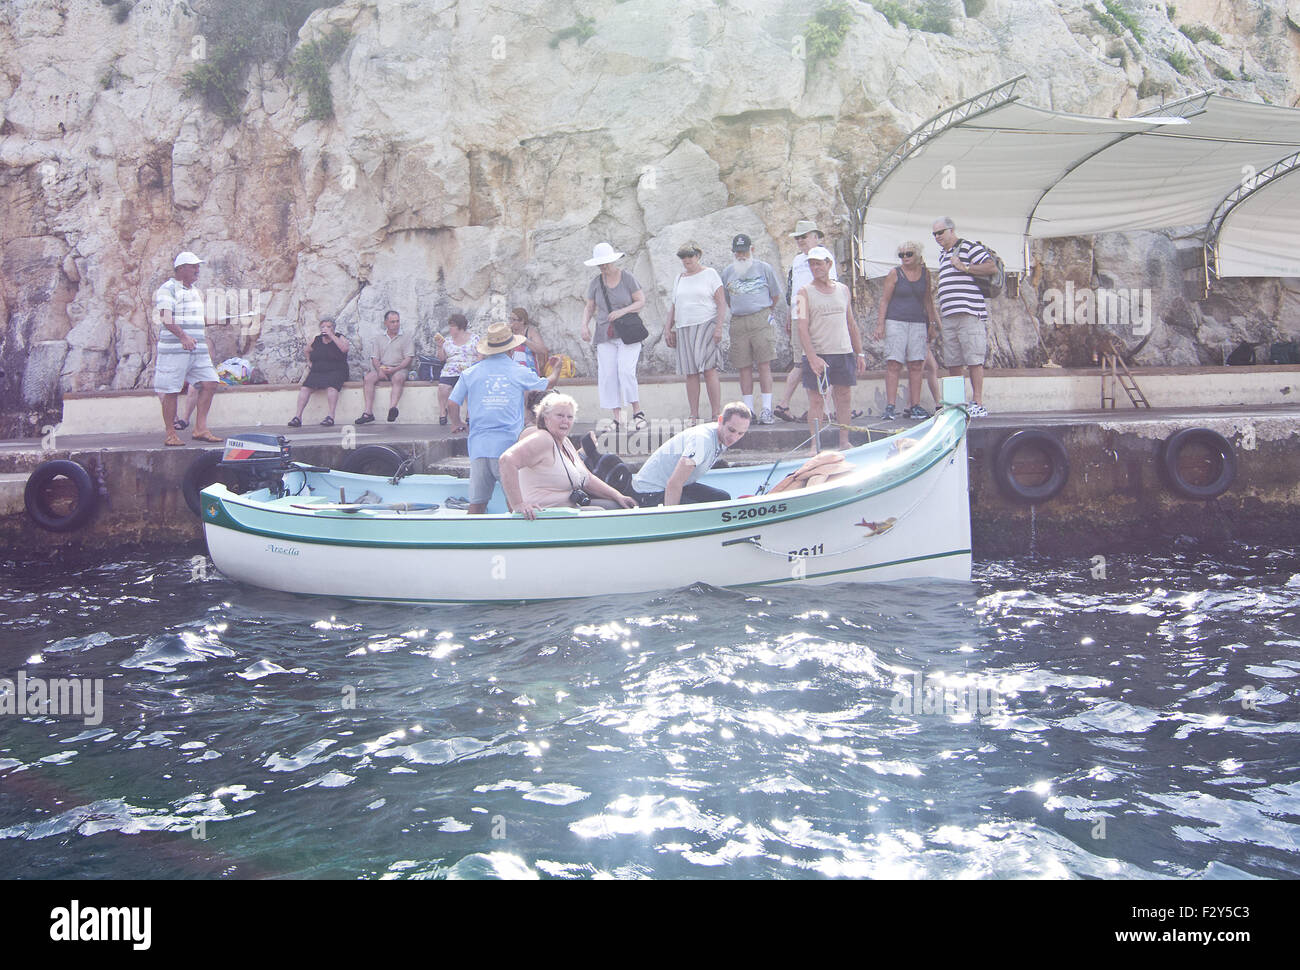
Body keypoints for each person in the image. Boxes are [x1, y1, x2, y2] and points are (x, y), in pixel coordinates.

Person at [449, 322, 562, 514]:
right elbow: (547, 385)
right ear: (511, 350)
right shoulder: (518, 370)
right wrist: (556, 370)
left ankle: (469, 540)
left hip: (478, 447)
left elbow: (452, 403)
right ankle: (516, 541)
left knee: (477, 505)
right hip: (508, 449)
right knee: (515, 504)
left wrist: (456, 423)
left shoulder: (470, 373)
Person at [499, 393, 638, 518]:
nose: (565, 421)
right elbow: (507, 460)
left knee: (619, 507)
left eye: (569, 417)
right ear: (545, 419)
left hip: (568, 508)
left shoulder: (565, 442)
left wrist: (618, 496)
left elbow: (587, 479)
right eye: (559, 416)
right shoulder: (543, 438)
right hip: (543, 514)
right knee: (599, 513)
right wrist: (518, 505)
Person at [795, 246, 865, 453]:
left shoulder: (843, 290)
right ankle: (815, 444)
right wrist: (812, 356)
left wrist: (859, 352)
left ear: (829, 264)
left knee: (844, 397)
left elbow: (851, 323)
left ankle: (844, 441)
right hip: (818, 352)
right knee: (816, 399)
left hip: (842, 351)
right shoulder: (803, 292)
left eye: (819, 263)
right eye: (812, 264)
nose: (815, 267)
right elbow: (801, 326)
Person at [774, 220, 838, 423]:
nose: (800, 240)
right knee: (800, 362)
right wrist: (789, 314)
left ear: (815, 237)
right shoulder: (796, 260)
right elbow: (793, 290)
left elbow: (831, 286)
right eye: (798, 237)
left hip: (818, 316)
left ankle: (824, 409)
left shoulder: (824, 256)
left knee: (825, 361)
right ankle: (783, 405)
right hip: (797, 315)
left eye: (804, 236)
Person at [154, 251, 221, 446]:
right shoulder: (167, 289)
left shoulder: (194, 291)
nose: (197, 270)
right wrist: (182, 336)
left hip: (197, 349)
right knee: (171, 389)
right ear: (181, 269)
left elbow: (196, 321)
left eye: (197, 266)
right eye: (193, 266)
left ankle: (200, 429)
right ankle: (170, 434)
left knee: (210, 382)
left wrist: (221, 321)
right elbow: (166, 317)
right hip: (175, 349)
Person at [630, 402, 752, 506]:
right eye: (731, 430)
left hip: (673, 484)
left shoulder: (722, 435)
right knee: (702, 515)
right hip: (648, 491)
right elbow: (674, 483)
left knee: (722, 498)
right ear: (720, 421)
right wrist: (672, 522)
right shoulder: (702, 442)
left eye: (741, 433)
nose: (734, 438)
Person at [932, 217, 995, 417]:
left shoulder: (968, 247)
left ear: (951, 230)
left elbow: (991, 266)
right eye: (934, 234)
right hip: (949, 315)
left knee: (974, 358)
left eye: (940, 232)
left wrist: (966, 268)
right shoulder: (943, 255)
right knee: (953, 360)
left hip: (969, 312)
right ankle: (957, 402)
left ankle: (978, 401)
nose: (937, 237)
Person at [580, 242, 648, 430]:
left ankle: (637, 412)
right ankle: (618, 417)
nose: (604, 266)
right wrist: (584, 325)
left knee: (626, 371)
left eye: (606, 263)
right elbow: (590, 307)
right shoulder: (596, 282)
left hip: (628, 332)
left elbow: (640, 301)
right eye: (600, 264)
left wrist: (622, 311)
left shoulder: (626, 278)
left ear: (613, 260)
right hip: (605, 332)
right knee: (608, 374)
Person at [721, 233, 784, 425]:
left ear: (752, 250)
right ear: (733, 253)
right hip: (739, 321)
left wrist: (765, 312)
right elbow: (727, 298)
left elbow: (775, 295)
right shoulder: (727, 272)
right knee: (743, 366)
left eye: (745, 252)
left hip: (761, 318)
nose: (741, 256)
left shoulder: (764, 268)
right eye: (738, 252)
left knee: (764, 364)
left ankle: (766, 409)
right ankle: (748, 410)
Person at [874, 242, 938, 420]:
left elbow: (928, 300)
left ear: (916, 255)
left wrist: (932, 323)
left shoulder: (925, 274)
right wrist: (881, 324)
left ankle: (915, 405)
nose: (905, 258)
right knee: (894, 363)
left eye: (908, 254)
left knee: (916, 364)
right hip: (896, 320)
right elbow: (884, 300)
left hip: (917, 321)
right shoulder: (895, 273)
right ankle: (890, 405)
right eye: (901, 255)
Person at [664, 241, 727, 421]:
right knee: (690, 372)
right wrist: (668, 328)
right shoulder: (679, 278)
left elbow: (721, 302)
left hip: (705, 323)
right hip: (684, 327)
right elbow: (674, 305)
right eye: (683, 256)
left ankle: (716, 413)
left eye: (690, 255)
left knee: (709, 369)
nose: (687, 260)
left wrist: (719, 327)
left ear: (698, 256)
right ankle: (694, 414)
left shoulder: (710, 274)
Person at [288, 318, 350, 427]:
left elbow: (344, 349)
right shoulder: (317, 339)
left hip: (336, 370)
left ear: (333, 328)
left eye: (329, 326)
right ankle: (297, 417)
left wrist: (332, 336)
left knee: (331, 387)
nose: (325, 329)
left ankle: (330, 416)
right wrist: (309, 362)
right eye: (323, 327)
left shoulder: (340, 337)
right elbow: (306, 350)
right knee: (305, 388)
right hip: (318, 370)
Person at [357, 309, 413, 424]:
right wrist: (380, 370)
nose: (396, 324)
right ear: (385, 323)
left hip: (399, 367)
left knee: (398, 378)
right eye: (392, 322)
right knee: (368, 378)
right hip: (382, 367)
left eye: (397, 321)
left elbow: (408, 358)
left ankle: (392, 409)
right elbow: (374, 358)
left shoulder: (406, 337)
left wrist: (395, 369)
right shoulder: (378, 338)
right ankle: (368, 413)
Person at [435, 313, 476, 430]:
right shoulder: (447, 341)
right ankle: (443, 411)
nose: (450, 329)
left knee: (470, 388)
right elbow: (441, 358)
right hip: (451, 370)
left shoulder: (474, 338)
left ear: (460, 327)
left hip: (468, 370)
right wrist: (439, 347)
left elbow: (480, 355)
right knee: (443, 387)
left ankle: (469, 414)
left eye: (452, 326)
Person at [508, 307, 548, 376]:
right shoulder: (508, 332)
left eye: (514, 320)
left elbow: (543, 350)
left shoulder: (530, 332)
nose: (511, 322)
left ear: (522, 321)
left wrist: (525, 341)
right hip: (511, 371)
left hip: (529, 370)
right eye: (510, 319)